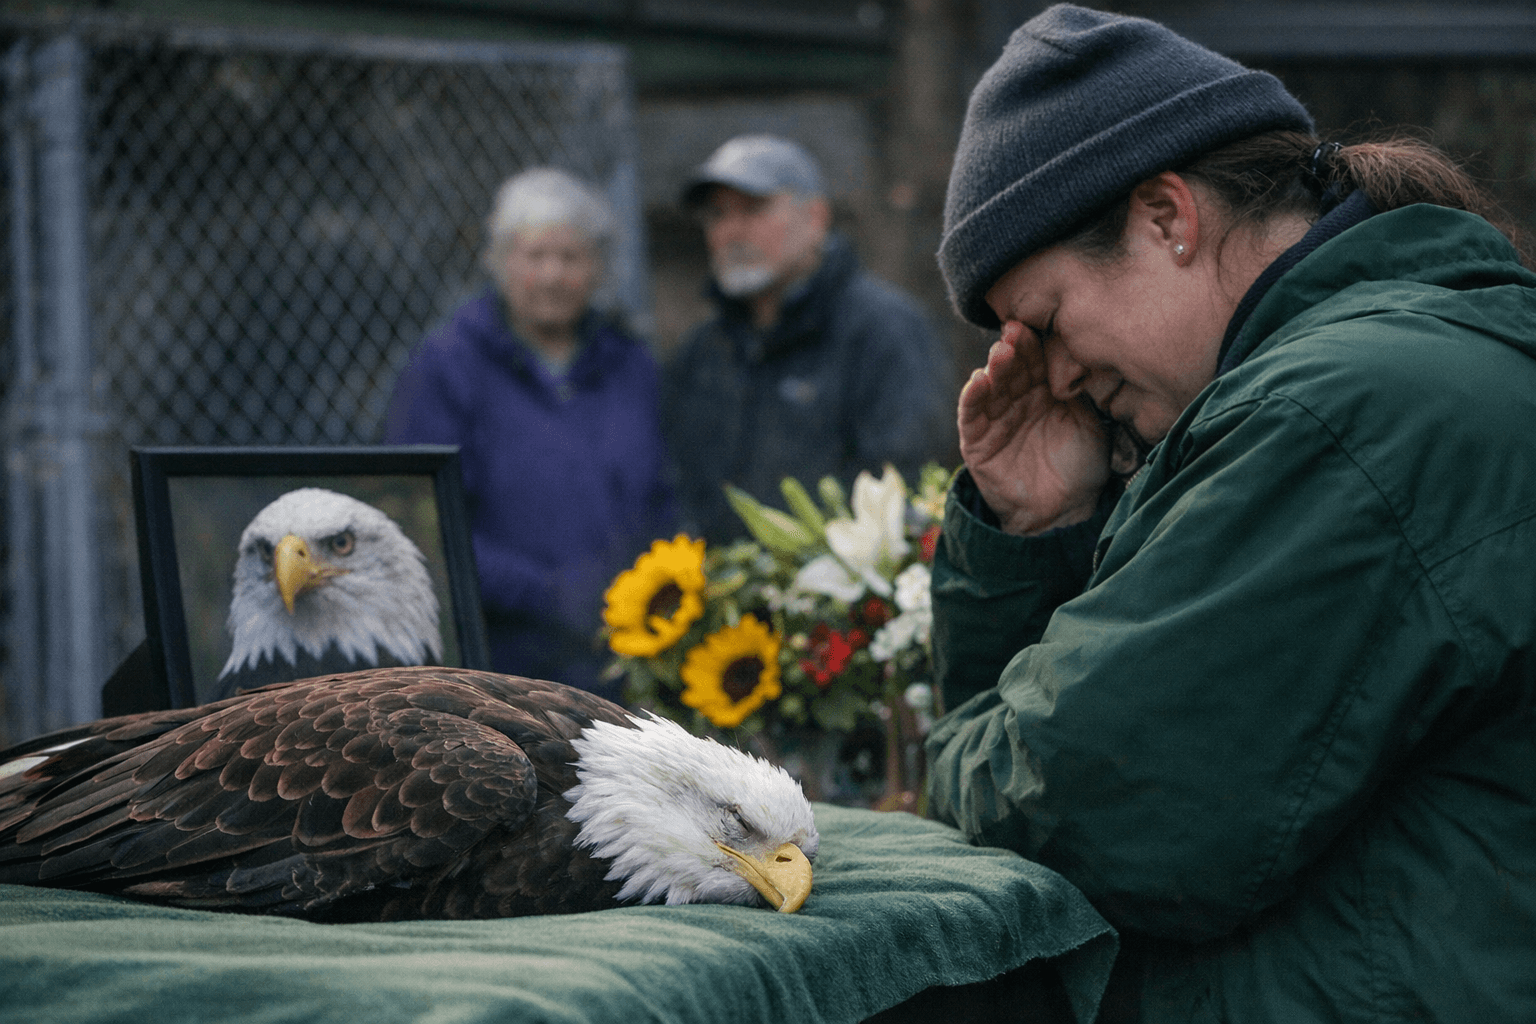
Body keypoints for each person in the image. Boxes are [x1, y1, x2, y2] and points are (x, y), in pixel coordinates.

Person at [923, 5, 1536, 1021]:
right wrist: (1037, 528)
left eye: (1050, 322)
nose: (1056, 375)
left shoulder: (1341, 416)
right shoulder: (1391, 369)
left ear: (1169, 216)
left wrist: (955, 753)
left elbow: (1090, 809)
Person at [385, 167, 672, 701]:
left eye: (571, 257)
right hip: (500, 670)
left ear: (597, 268)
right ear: (500, 261)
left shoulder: (631, 366)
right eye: (534, 256)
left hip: (629, 658)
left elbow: (663, 496)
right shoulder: (446, 369)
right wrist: (551, 595)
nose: (552, 275)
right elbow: (422, 523)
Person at [663, 134, 954, 543]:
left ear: (816, 218)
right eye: (717, 215)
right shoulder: (701, 351)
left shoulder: (886, 331)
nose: (732, 231)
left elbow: (905, 483)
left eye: (753, 209)